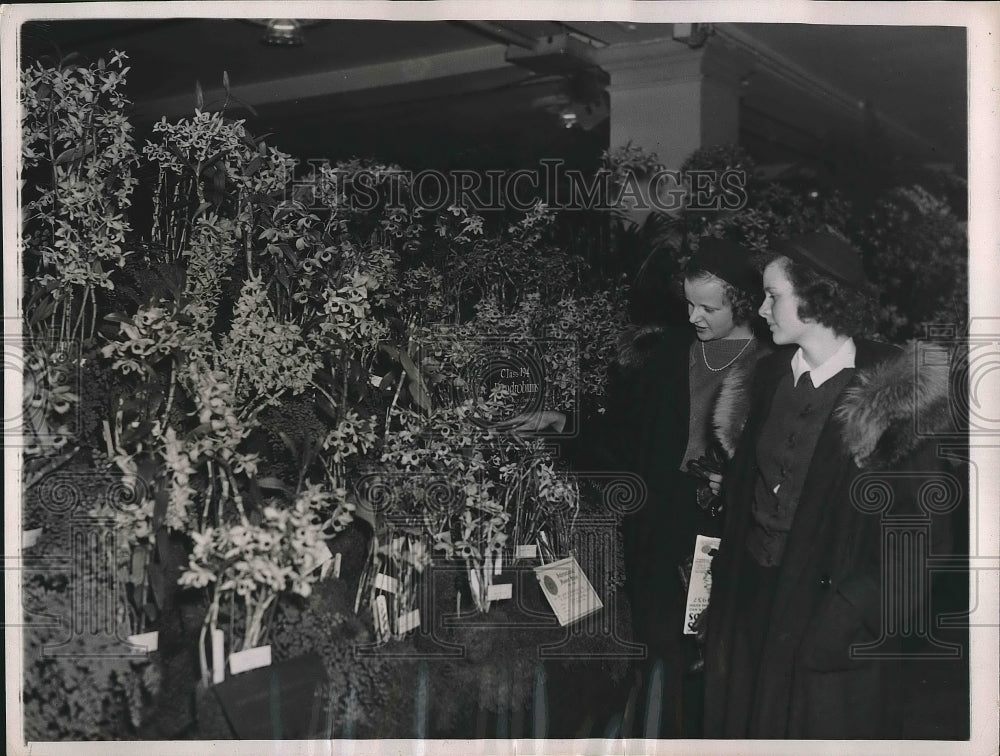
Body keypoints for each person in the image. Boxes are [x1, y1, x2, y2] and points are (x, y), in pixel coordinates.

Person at [702, 233, 955, 738]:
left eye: (773, 295)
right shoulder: (765, 379)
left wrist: (847, 618)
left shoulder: (892, 400)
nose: (760, 307)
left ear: (816, 299)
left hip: (828, 630)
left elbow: (922, 538)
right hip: (751, 610)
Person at [612, 236, 769, 738]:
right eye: (688, 304)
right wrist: (562, 422)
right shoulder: (672, 351)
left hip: (720, 529)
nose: (695, 317)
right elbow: (627, 430)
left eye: (708, 307)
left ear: (741, 303)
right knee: (656, 656)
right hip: (659, 525)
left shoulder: (771, 365)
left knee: (707, 663)